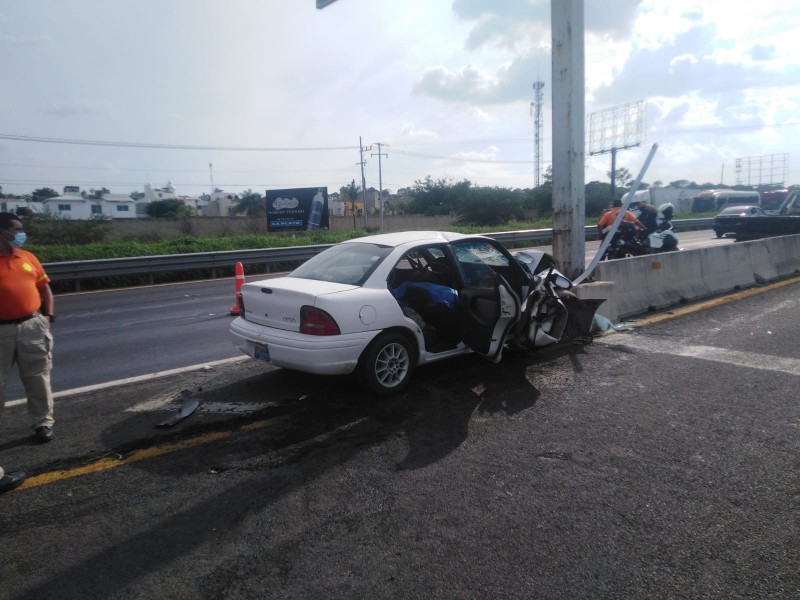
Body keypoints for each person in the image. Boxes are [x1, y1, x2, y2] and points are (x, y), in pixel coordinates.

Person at [0, 212, 56, 443]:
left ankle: (43, 423)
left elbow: (45, 289)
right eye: (16, 229)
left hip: (32, 326)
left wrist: (48, 315)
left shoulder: (27, 257)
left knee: (38, 378)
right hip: (2, 331)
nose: (20, 233)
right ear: (1, 232)